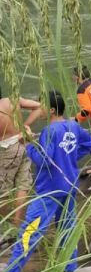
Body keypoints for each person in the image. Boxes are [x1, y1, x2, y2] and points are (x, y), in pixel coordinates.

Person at [0, 91, 91, 272]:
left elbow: (43, 159)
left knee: (29, 233)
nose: (39, 109)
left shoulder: (49, 132)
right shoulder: (74, 126)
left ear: (51, 110)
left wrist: (28, 145)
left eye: (43, 106)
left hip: (49, 192)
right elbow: (89, 144)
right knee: (67, 229)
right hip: (69, 186)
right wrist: (69, 160)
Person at [0, 86, 43, 217]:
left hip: (7, 150)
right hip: (23, 143)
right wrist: (24, 127)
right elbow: (39, 106)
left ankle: (8, 223)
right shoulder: (12, 100)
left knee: (3, 191)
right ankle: (18, 220)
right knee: (23, 184)